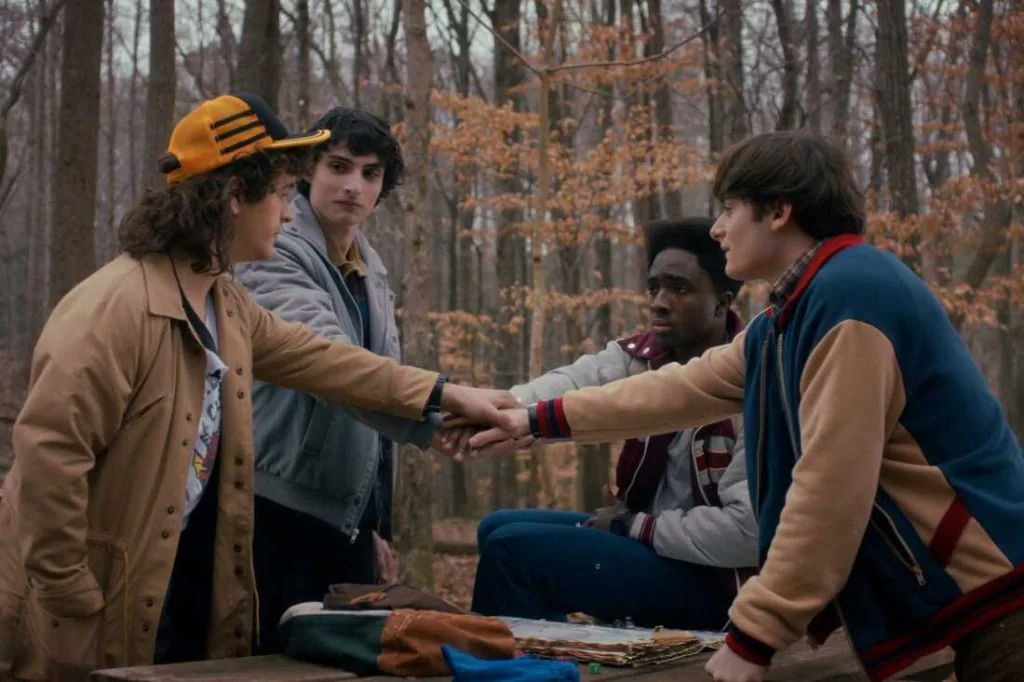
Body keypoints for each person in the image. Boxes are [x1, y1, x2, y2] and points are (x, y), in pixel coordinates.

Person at [465, 132, 1024, 682]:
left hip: (1003, 599)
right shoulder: (790, 318)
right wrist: (532, 418)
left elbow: (830, 488)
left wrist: (756, 633)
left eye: (729, 209)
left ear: (778, 211)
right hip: (977, 603)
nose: (717, 228)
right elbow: (679, 389)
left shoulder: (851, 300)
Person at [0, 93, 514, 679]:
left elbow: (326, 361)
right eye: (280, 194)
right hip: (80, 607)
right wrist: (68, 589)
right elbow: (49, 453)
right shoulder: (116, 308)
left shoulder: (224, 302)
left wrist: (447, 395)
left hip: (156, 588)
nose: (289, 215)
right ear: (234, 196)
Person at [469, 218, 757, 631]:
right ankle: (549, 651)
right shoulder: (640, 358)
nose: (658, 303)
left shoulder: (752, 383)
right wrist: (492, 410)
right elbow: (571, 384)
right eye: (654, 288)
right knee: (495, 527)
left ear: (721, 303)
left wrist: (632, 525)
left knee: (512, 551)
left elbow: (748, 533)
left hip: (718, 582)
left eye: (679, 289)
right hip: (652, 544)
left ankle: (515, 660)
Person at [235, 108, 431, 653]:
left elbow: (376, 417)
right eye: (339, 167)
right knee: (272, 662)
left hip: (344, 518)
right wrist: (443, 408)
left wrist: (375, 525)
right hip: (276, 508)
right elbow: (334, 365)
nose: (353, 186)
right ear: (308, 171)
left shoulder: (371, 268)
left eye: (371, 174)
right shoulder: (273, 249)